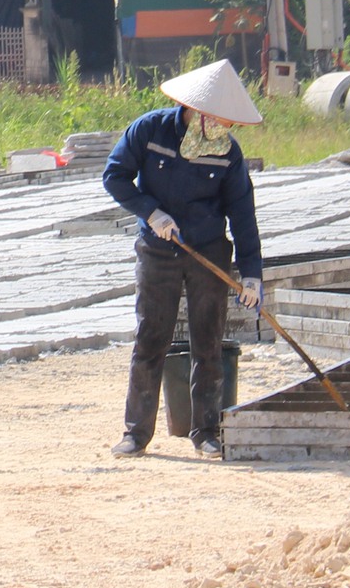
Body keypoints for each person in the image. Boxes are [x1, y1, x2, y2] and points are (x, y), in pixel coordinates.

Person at [101, 59, 267, 460]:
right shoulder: (150, 131)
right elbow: (115, 176)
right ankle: (136, 433)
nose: (220, 128)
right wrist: (151, 212)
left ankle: (206, 431)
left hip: (207, 250)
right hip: (158, 250)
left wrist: (251, 274)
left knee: (207, 341)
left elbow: (243, 213)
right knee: (150, 338)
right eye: (215, 120)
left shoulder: (228, 153)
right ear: (195, 111)